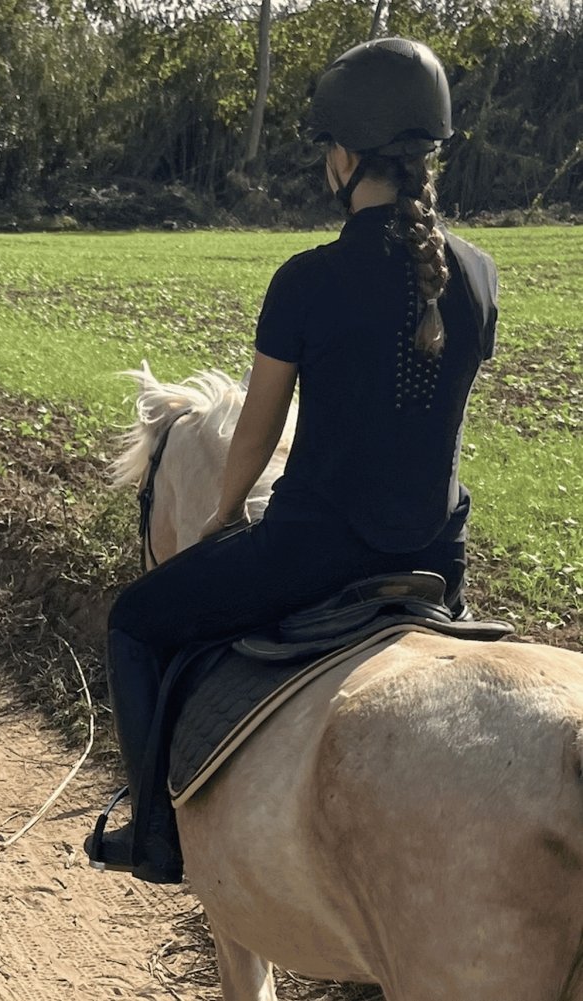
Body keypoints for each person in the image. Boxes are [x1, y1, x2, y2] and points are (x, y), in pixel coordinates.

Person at [84, 37, 498, 884]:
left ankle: (155, 833)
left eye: (325, 149)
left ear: (346, 156)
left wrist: (219, 518)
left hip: (312, 554)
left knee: (134, 620)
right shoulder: (480, 275)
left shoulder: (307, 280)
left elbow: (256, 434)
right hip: (438, 563)